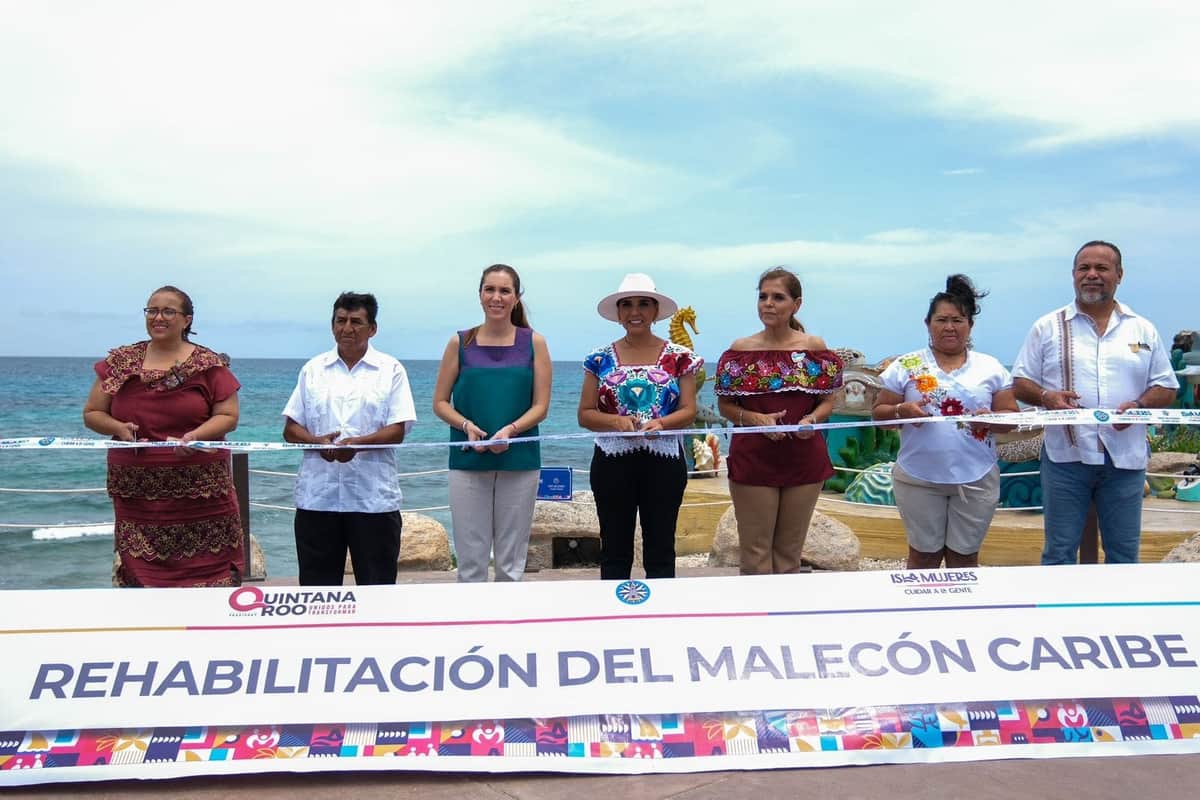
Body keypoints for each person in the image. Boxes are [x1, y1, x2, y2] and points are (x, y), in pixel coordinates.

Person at [1012, 241, 1178, 564]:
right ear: (1073, 274)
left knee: (1124, 555)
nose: (1092, 275)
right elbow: (1020, 382)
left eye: (1101, 268)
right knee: (1059, 553)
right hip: (1065, 459)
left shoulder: (1142, 328)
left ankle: (1118, 602)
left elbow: (1167, 386)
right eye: (1083, 268)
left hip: (1125, 460)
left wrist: (1139, 405)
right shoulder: (1047, 327)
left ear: (1120, 275)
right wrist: (1046, 397)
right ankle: (1062, 601)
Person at [83, 285, 243, 587]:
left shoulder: (209, 364)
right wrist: (118, 428)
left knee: (211, 576)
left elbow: (228, 417)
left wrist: (195, 436)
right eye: (152, 310)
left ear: (187, 320)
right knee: (143, 579)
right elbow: (92, 413)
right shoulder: (121, 362)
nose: (158, 317)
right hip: (137, 496)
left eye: (168, 311)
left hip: (203, 492)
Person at [872, 275, 1017, 570]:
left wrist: (992, 420)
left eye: (957, 320)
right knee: (923, 557)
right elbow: (879, 414)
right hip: (918, 477)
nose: (949, 327)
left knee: (965, 559)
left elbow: (1012, 418)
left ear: (970, 325)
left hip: (977, 476)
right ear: (928, 324)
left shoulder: (990, 367)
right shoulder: (907, 366)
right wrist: (902, 410)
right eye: (941, 320)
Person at [714, 268, 844, 575]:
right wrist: (756, 419)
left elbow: (828, 401)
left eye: (778, 297)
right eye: (763, 297)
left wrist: (811, 420)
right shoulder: (739, 350)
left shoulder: (814, 348)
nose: (768, 304)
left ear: (796, 304)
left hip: (804, 460)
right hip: (754, 460)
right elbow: (725, 406)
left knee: (789, 556)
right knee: (755, 555)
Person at [282, 292, 417, 585]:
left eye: (356, 321)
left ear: (372, 329)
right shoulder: (313, 369)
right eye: (340, 320)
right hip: (318, 499)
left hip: (372, 500)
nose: (347, 328)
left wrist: (357, 444)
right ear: (332, 325)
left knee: (378, 590)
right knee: (317, 595)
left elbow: (397, 429)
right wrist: (317, 442)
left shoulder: (391, 370)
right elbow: (291, 428)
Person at [432, 265, 552, 582]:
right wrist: (466, 426)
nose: (496, 297)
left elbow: (540, 406)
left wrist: (511, 430)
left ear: (516, 297)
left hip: (520, 460)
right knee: (470, 560)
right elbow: (440, 402)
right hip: (467, 460)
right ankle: (473, 614)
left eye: (504, 291)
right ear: (480, 294)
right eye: (490, 289)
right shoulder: (460, 342)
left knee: (511, 562)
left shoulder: (535, 343)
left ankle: (508, 613)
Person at [578, 273, 701, 580]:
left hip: (664, 463)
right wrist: (615, 422)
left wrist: (661, 423)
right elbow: (585, 414)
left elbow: (689, 410)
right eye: (627, 305)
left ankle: (661, 608)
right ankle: (614, 607)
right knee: (614, 549)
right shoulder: (598, 359)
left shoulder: (679, 357)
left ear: (655, 311)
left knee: (661, 549)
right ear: (618, 312)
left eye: (644, 304)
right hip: (612, 462)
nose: (635, 311)